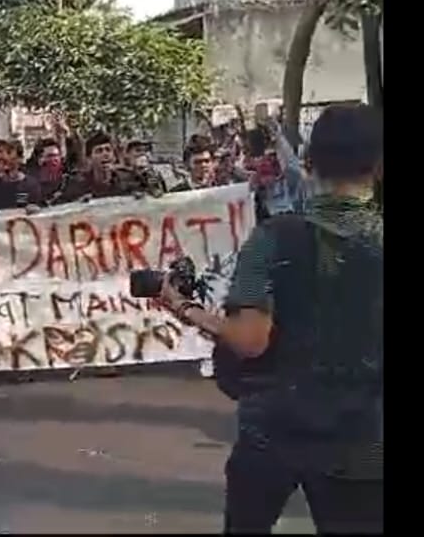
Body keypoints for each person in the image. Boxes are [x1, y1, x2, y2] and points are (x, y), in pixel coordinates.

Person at [155, 103, 382, 533]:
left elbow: (249, 339)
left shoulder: (274, 237)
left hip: (272, 433)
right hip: (363, 441)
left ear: (309, 164)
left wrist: (185, 308)